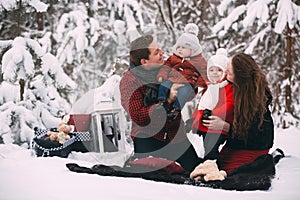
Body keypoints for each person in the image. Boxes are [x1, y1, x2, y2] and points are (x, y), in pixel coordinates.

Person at [119, 35, 202, 172]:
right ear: (145, 61)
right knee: (151, 177)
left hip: (175, 135)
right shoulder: (129, 81)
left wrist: (188, 83)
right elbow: (139, 116)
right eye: (156, 52)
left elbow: (190, 94)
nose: (162, 53)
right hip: (148, 137)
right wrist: (167, 100)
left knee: (196, 172)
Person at [192, 52, 274, 175]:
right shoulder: (232, 86)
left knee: (231, 173)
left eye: (229, 73)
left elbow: (259, 136)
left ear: (240, 76)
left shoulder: (255, 98)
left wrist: (226, 127)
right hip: (235, 143)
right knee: (216, 165)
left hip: (253, 146)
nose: (225, 74)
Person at [190, 48, 234, 164]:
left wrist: (214, 113)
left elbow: (229, 104)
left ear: (225, 72)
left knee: (211, 149)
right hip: (206, 125)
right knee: (207, 148)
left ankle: (213, 168)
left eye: (219, 70)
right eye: (211, 70)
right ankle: (210, 165)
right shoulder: (209, 88)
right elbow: (202, 106)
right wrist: (193, 119)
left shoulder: (227, 87)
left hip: (218, 125)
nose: (214, 73)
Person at [156, 23, 207, 119]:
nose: (180, 50)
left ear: (193, 49)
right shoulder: (173, 58)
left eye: (183, 48)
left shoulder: (198, 60)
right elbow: (166, 67)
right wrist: (161, 76)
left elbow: (204, 73)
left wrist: (199, 83)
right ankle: (161, 102)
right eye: (178, 47)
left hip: (187, 83)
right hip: (171, 79)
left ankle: (176, 109)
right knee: (163, 85)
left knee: (183, 93)